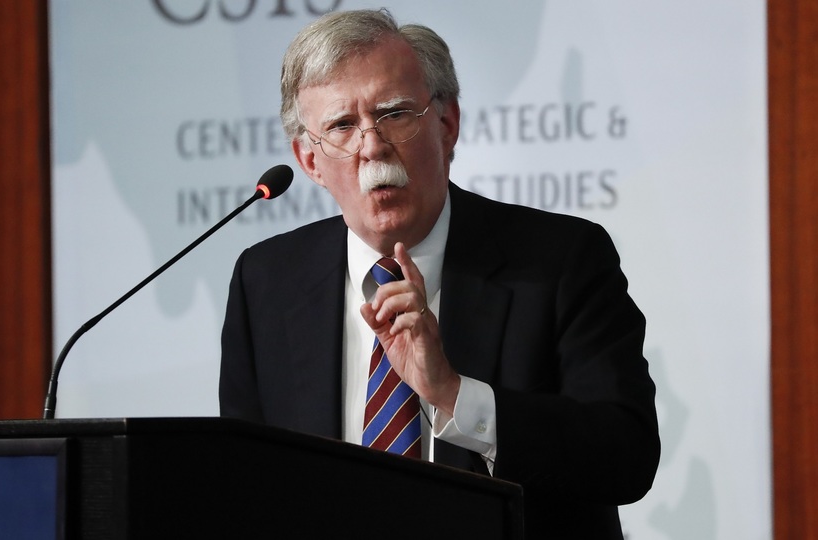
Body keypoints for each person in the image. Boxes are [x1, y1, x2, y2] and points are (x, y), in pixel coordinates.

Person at [220, 8, 659, 538]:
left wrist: (453, 394)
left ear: (447, 125)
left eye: (394, 113)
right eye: (341, 126)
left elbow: (626, 454)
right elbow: (242, 486)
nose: (371, 146)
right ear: (309, 160)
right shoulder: (265, 283)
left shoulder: (561, 260)